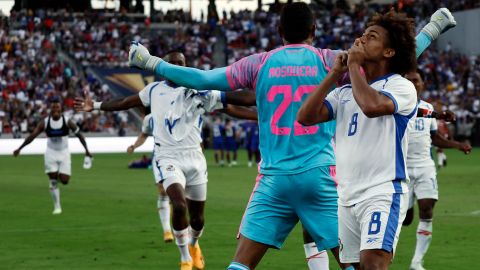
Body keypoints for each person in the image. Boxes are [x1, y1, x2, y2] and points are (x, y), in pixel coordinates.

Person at [127, 4, 456, 270]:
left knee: (241, 264)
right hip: (321, 177)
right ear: (314, 31)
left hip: (273, 179)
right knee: (355, 263)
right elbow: (392, 57)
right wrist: (432, 28)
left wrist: (150, 61)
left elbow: (201, 77)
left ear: (280, 32)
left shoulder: (259, 63)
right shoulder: (330, 60)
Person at [75, 51, 256, 270]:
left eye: (181, 64)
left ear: (186, 66)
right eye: (173, 64)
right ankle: (185, 258)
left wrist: (262, 109)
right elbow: (125, 101)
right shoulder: (153, 90)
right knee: (178, 205)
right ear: (165, 68)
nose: (178, 67)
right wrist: (94, 105)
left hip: (195, 158)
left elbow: (234, 103)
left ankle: (194, 244)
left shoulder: (200, 90)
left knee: (198, 219)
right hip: (167, 156)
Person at [298, 10, 421, 270]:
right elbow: (305, 117)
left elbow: (371, 106)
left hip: (382, 191)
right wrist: (334, 74)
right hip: (346, 196)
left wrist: (353, 66)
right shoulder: (343, 92)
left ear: (388, 52)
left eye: (371, 37)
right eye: (362, 35)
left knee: (373, 265)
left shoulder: (401, 86)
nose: (361, 40)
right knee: (353, 267)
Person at [403, 70, 472, 270]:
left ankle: (416, 262)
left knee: (427, 209)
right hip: (402, 168)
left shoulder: (428, 108)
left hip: (425, 166)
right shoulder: (396, 106)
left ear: (423, 84)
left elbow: (435, 138)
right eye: (409, 81)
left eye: (416, 80)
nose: (413, 84)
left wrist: (458, 145)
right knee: (405, 219)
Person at [13, 98, 92, 215]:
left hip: (64, 153)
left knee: (65, 180)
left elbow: (80, 135)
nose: (55, 109)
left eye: (57, 107)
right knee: (53, 180)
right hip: (50, 153)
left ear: (61, 109)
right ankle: (57, 206)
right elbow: (32, 136)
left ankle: (55, 180)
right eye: (53, 107)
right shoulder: (45, 122)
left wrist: (87, 151)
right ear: (51, 109)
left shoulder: (67, 121)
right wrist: (20, 148)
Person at [126, 112, 174, 243]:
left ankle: (181, 228)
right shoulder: (150, 118)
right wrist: (134, 146)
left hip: (179, 156)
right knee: (163, 191)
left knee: (178, 194)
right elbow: (144, 135)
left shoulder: (177, 111)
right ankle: (167, 230)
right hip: (159, 156)